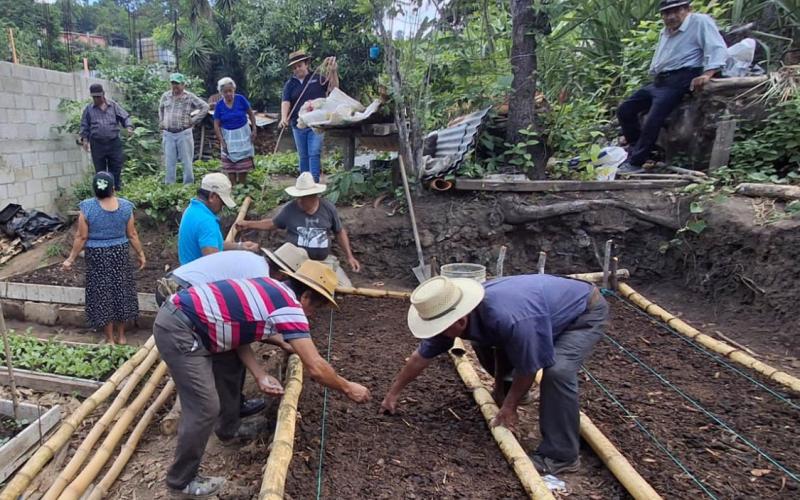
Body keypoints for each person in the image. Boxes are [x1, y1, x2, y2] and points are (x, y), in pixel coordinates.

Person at [154, 260, 370, 498]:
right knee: (204, 406)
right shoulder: (289, 306)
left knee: (230, 367)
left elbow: (238, 332)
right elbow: (316, 367)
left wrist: (260, 373)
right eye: (315, 308)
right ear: (306, 296)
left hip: (193, 323)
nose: (312, 314)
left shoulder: (270, 287)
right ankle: (181, 482)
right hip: (181, 330)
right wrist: (348, 388)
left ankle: (229, 430)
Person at [381, 274, 609, 476]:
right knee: (484, 343)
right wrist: (393, 393)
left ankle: (562, 456)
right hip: (539, 311)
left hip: (581, 314)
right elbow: (420, 357)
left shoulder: (510, 317)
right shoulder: (455, 315)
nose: (436, 335)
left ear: (459, 321)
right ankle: (513, 392)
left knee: (558, 372)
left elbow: (528, 367)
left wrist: (509, 407)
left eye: (439, 329)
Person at [616, 0, 727, 174]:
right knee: (625, 109)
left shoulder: (700, 22)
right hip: (661, 81)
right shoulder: (665, 31)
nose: (671, 16)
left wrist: (707, 74)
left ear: (687, 10)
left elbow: (717, 47)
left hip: (682, 77)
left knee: (654, 117)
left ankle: (637, 162)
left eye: (676, 11)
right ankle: (642, 150)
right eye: (667, 13)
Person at [62, 171, 146, 344]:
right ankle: (122, 336)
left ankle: (109, 339)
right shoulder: (125, 206)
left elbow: (81, 237)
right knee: (121, 291)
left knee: (102, 295)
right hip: (120, 253)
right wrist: (140, 253)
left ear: (94, 189)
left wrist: (70, 259)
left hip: (97, 256)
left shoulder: (87, 207)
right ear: (113, 189)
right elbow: (132, 234)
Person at [236, 172, 360, 286]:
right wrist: (249, 224)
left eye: (303, 197)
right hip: (296, 263)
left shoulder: (328, 208)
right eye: (298, 197)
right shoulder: (290, 209)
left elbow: (339, 231)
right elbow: (273, 224)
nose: (300, 200)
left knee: (345, 287)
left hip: (322, 261)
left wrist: (349, 256)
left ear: (313, 196)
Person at [280, 50, 339, 182]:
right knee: (303, 156)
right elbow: (286, 102)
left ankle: (314, 184)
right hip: (298, 124)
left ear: (306, 64)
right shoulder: (290, 84)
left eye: (299, 65)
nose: (297, 69)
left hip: (316, 124)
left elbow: (334, 90)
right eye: (294, 68)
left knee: (314, 153)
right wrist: (284, 118)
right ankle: (304, 185)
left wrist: (333, 71)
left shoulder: (317, 78)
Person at [177, 172, 258, 265]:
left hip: (187, 272)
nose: (222, 207)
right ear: (212, 196)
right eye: (222, 202)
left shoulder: (192, 210)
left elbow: (214, 244)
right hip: (201, 278)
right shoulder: (206, 222)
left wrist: (240, 246)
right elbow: (214, 263)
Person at [79, 83, 133, 191]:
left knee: (116, 168)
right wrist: (85, 140)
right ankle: (103, 194)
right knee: (100, 171)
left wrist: (129, 127)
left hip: (113, 143)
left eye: (98, 96)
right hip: (97, 144)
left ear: (103, 94)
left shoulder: (113, 106)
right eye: (94, 97)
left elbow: (125, 117)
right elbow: (84, 125)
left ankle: (115, 190)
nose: (97, 99)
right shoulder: (89, 109)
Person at [159, 73, 209, 184]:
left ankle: (188, 185)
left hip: (183, 133)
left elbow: (205, 107)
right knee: (169, 161)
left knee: (186, 161)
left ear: (183, 84)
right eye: (173, 83)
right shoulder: (166, 96)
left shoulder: (189, 97)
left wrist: (194, 120)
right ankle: (170, 186)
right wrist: (162, 121)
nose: (175, 86)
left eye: (177, 83)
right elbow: (161, 108)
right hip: (168, 134)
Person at [213, 77, 257, 185]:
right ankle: (233, 188)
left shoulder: (241, 99)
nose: (228, 94)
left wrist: (254, 129)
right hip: (228, 137)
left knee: (243, 166)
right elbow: (216, 124)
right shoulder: (219, 105)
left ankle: (242, 186)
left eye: (230, 91)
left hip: (243, 135)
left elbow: (251, 114)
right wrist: (222, 141)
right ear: (221, 93)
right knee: (230, 168)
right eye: (225, 92)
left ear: (234, 90)